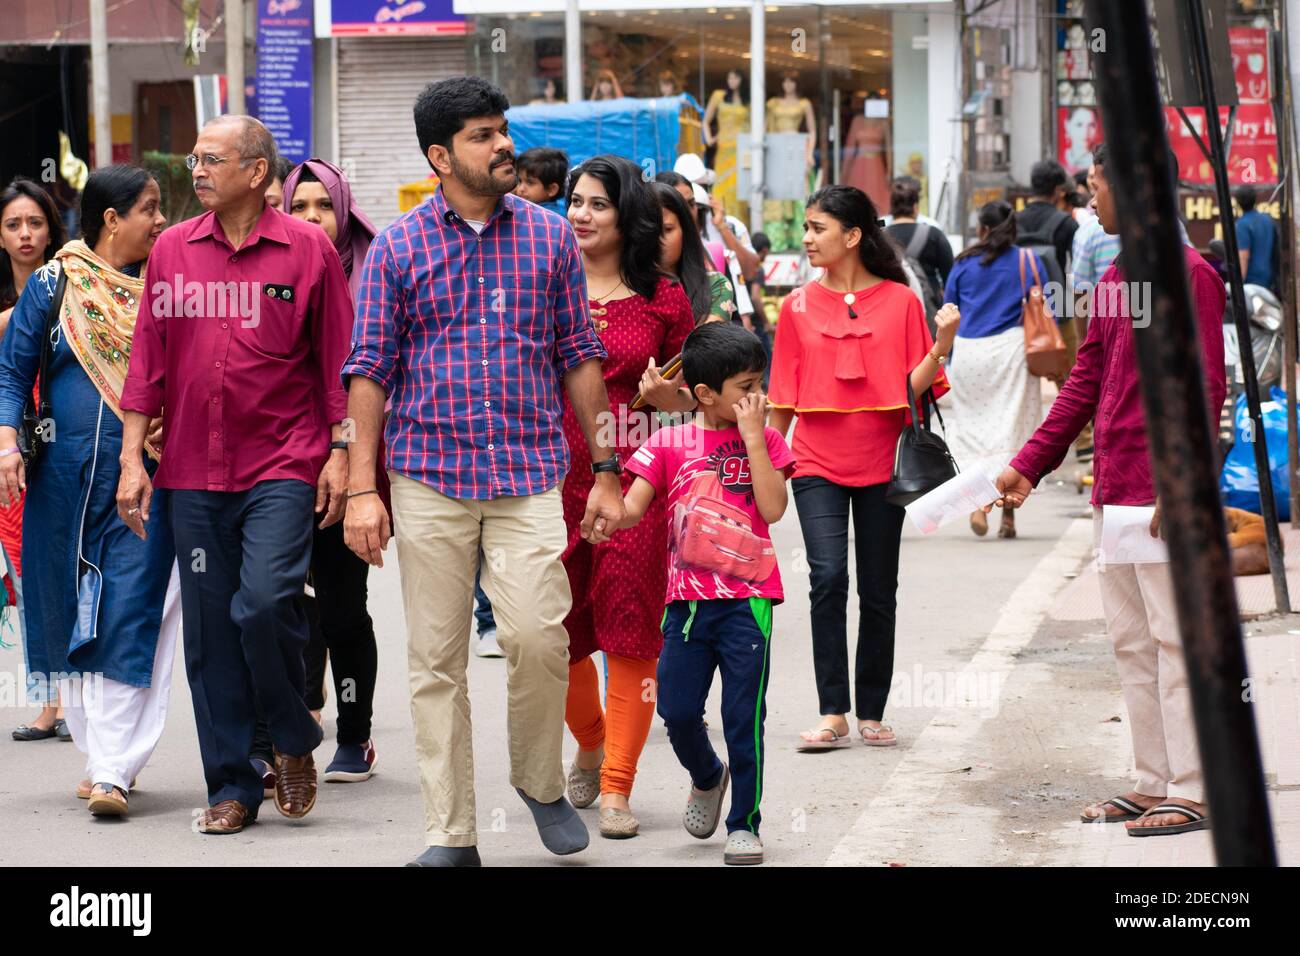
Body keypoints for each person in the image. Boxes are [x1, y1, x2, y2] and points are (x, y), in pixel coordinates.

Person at [340, 76, 625, 867]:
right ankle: (451, 832)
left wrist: (605, 466)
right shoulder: (398, 246)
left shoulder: (549, 237)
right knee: (437, 661)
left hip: (529, 472)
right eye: (480, 135)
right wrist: (365, 489)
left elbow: (581, 357)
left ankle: (537, 782)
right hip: (427, 477)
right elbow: (368, 372)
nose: (502, 145)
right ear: (440, 156)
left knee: (538, 638)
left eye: (502, 129)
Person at [117, 115, 354, 835]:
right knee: (212, 633)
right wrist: (133, 457)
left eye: (212, 158)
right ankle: (232, 786)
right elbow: (148, 360)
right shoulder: (172, 252)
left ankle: (290, 732)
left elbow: (338, 362)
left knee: (263, 602)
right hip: (190, 471)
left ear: (256, 172)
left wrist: (343, 453)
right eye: (194, 157)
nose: (197, 169)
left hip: (282, 464)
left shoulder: (309, 251)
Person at [993, 142, 1226, 837]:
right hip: (1116, 490)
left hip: (1163, 498)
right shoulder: (1118, 277)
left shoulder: (1191, 276)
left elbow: (1208, 386)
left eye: (1096, 183)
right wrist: (1028, 464)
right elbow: (1084, 385)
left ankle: (1195, 785)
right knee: (1132, 643)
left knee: (1180, 642)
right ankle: (1153, 780)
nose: (1090, 199)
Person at [0, 164, 178, 817]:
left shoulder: (165, 287)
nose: (160, 221)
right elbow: (11, 372)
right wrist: (5, 444)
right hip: (62, 478)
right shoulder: (54, 283)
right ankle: (102, 757)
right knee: (66, 606)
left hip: (147, 476)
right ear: (112, 218)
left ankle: (112, 767)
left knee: (136, 610)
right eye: (150, 209)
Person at [767, 185, 958, 751]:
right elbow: (780, 400)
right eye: (805, 227)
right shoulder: (796, 306)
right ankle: (833, 711)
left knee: (879, 589)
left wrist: (941, 343)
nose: (806, 239)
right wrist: (764, 468)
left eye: (817, 228)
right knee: (827, 579)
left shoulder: (901, 301)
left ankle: (871, 707)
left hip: (885, 464)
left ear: (852, 236)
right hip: (816, 463)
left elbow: (911, 389)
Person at [620, 321, 795, 865]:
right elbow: (631, 508)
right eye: (745, 387)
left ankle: (745, 823)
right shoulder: (668, 441)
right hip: (687, 605)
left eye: (759, 383)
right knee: (674, 708)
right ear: (704, 395)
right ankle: (707, 775)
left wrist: (751, 440)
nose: (757, 397)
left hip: (749, 602)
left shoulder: (765, 439)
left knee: (745, 716)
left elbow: (772, 509)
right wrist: (605, 517)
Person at [562, 156, 695, 839]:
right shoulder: (544, 284)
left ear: (627, 216)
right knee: (550, 630)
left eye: (596, 204)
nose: (580, 214)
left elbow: (693, 399)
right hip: (549, 471)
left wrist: (665, 396)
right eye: (574, 202)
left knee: (629, 627)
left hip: (639, 476)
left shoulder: (663, 297)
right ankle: (588, 735)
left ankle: (617, 784)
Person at [278, 157, 382, 782]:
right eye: (300, 207)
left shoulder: (373, 274)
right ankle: (290, 731)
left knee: (342, 608)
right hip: (280, 463)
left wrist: (350, 456)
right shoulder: (268, 271)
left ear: (342, 212)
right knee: (283, 604)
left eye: (324, 206)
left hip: (356, 462)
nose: (313, 218)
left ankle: (356, 735)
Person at [0, 178, 69, 742]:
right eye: (13, 225)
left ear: (51, 229)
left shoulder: (73, 286)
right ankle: (48, 700)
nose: (25, 234)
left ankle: (81, 699)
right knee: (25, 578)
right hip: (8, 455)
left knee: (69, 571)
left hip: (67, 448)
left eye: (35, 223)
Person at [942, 201, 1046, 539]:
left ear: (982, 228)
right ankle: (1008, 517)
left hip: (970, 355)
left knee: (975, 434)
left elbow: (949, 309)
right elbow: (1047, 308)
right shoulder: (1029, 261)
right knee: (1011, 436)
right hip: (1012, 353)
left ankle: (977, 503)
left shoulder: (963, 264)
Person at [653, 181, 733, 325]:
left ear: (685, 230)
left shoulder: (716, 286)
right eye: (649, 230)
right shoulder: (622, 288)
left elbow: (702, 345)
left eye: (667, 229)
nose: (658, 239)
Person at [885, 177, 953, 312]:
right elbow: (949, 276)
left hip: (890, 308)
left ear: (891, 207)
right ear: (916, 207)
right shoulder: (933, 234)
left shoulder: (881, 236)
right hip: (929, 310)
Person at [702, 70, 749, 223]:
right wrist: (709, 139)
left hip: (741, 148)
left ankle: (739, 221)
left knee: (738, 185)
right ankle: (719, 218)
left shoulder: (746, 101)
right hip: (723, 149)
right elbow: (706, 120)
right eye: (729, 77)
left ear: (741, 80)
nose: (732, 80)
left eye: (735, 77)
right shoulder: (718, 96)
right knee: (721, 184)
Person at [1234, 184, 1277, 293]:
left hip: (1252, 282)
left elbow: (1243, 256)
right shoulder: (1268, 220)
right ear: (1255, 199)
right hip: (1270, 278)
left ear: (1238, 202)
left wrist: (1239, 285)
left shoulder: (1242, 224)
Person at [514, 147, 569, 216]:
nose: (521, 189)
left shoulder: (551, 218)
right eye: (519, 181)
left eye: (530, 183)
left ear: (551, 189)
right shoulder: (522, 208)